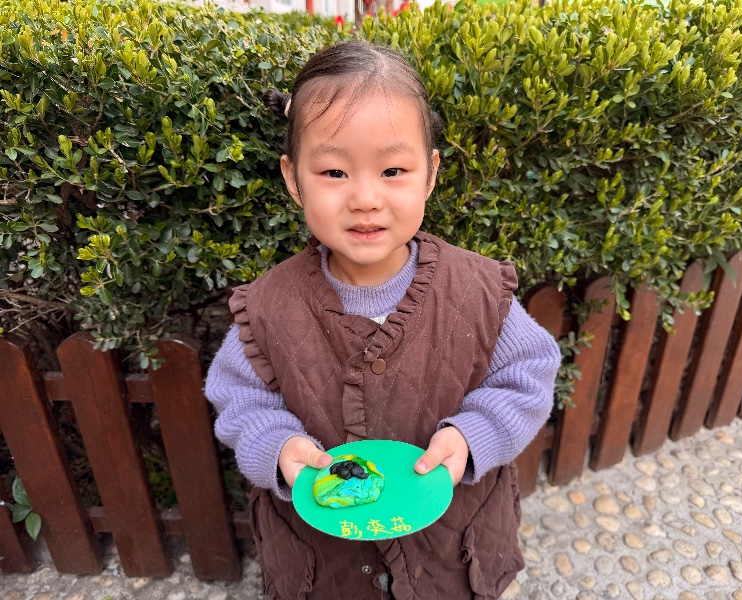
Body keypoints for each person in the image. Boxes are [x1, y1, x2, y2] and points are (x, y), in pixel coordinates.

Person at [205, 39, 561, 600]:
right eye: (334, 171)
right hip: (324, 561)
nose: (366, 198)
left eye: (393, 169)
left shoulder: (477, 291)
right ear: (293, 179)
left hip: (453, 547)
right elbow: (239, 399)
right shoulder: (267, 308)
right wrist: (275, 444)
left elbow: (528, 375)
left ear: (430, 173)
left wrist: (474, 435)